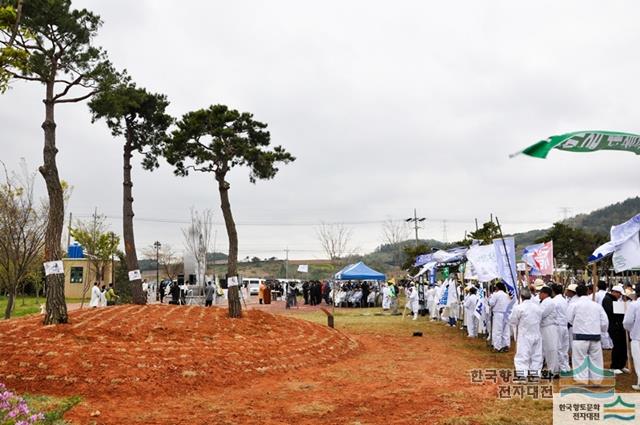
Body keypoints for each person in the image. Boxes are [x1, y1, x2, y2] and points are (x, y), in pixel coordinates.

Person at [567, 284, 609, 385]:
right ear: (587, 292)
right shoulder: (597, 306)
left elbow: (569, 319)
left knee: (579, 359)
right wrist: (601, 330)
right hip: (595, 336)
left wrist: (577, 324)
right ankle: (597, 381)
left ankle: (581, 381)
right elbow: (604, 322)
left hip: (580, 336)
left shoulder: (574, 305)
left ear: (576, 293)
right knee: (596, 360)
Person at [509, 288, 543, 377]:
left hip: (524, 334)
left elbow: (513, 321)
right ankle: (535, 375)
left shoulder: (519, 308)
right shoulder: (538, 307)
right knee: (536, 356)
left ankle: (521, 376)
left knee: (522, 356)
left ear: (521, 296)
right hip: (536, 333)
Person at [602, 285, 628, 374]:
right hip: (614, 326)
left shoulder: (613, 300)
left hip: (619, 326)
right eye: (619, 294)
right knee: (617, 345)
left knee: (622, 346)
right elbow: (611, 313)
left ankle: (621, 365)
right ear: (615, 292)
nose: (620, 296)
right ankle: (614, 366)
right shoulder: (607, 300)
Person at [623, 286, 640, 391]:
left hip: (637, 337)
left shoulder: (634, 305)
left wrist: (630, 330)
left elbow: (627, 322)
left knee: (639, 361)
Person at [539, 286, 559, 376]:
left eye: (540, 293)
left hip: (549, 328)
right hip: (545, 328)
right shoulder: (545, 302)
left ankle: (553, 371)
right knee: (547, 349)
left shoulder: (549, 302)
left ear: (545, 294)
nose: (539, 294)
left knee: (551, 349)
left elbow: (541, 314)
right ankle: (551, 369)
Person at [551, 283, 570, 373]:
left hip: (557, 326)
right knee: (564, 347)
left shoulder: (554, 301)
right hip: (564, 326)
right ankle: (566, 366)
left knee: (558, 347)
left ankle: (562, 367)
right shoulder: (564, 300)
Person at [488, 281, 511, 352]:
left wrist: (489, 299)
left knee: (497, 330)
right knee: (505, 330)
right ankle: (506, 345)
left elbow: (491, 303)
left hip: (498, 313)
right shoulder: (506, 295)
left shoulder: (496, 294)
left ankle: (497, 347)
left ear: (497, 287)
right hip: (506, 314)